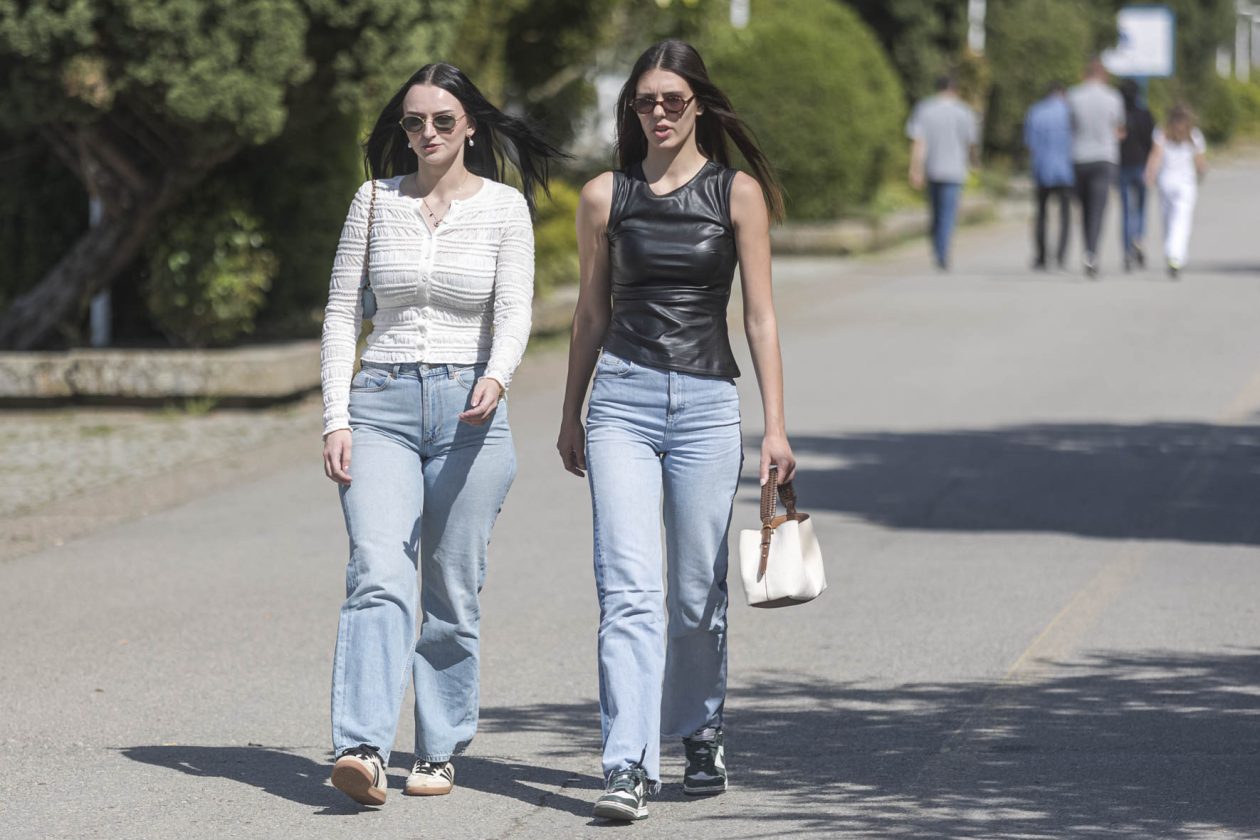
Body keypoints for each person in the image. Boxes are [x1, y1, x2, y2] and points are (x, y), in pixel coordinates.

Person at [555, 39, 796, 822]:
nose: (658, 113)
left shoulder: (737, 195)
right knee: (629, 592)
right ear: (632, 110)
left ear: (700, 106)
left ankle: (699, 727)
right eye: (645, 101)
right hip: (620, 401)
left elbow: (759, 317)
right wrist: (571, 413)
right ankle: (626, 765)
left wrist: (776, 429)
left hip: (705, 403)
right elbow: (589, 315)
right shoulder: (605, 197)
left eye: (672, 100)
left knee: (696, 593)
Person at [319, 62, 562, 807]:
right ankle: (361, 743)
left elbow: (515, 308)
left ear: (471, 129)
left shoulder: (504, 208)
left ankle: (439, 747)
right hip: (383, 404)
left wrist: (500, 372)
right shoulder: (373, 202)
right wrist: (336, 415)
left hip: (470, 413)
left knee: (452, 589)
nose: (426, 134)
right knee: (377, 570)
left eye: (442, 122)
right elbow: (339, 314)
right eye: (414, 122)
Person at [906, 74, 980, 271]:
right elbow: (971, 143)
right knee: (947, 214)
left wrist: (915, 169)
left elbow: (919, 142)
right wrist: (974, 163)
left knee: (935, 212)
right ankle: (942, 252)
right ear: (955, 89)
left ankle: (937, 249)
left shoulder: (925, 108)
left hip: (932, 168)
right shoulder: (964, 111)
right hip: (955, 170)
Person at [1067, 57, 1126, 277]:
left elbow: (1070, 126)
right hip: (1104, 158)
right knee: (1098, 209)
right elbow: (1119, 129)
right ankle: (1092, 252)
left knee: (1084, 208)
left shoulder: (1073, 95)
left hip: (1080, 158)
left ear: (1085, 74)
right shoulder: (1113, 97)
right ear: (1103, 75)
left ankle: (1087, 249)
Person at [1145, 104, 1207, 278]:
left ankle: (1171, 253)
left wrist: (1150, 173)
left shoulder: (1162, 132)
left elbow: (1156, 155)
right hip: (1186, 184)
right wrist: (1202, 172)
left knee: (1167, 219)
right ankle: (1176, 256)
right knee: (1182, 221)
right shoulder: (1194, 135)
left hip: (1166, 181)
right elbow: (1200, 160)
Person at [1023, 81, 1075, 270]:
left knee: (1041, 214)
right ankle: (1061, 256)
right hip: (1066, 170)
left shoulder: (1036, 111)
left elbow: (1029, 143)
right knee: (1065, 215)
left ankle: (1042, 256)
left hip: (1042, 169)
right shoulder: (1069, 112)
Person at [1118, 79, 1156, 271]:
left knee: (1126, 210)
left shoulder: (1119, 116)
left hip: (1122, 167)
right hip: (1141, 166)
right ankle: (1138, 238)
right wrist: (1152, 167)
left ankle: (1126, 251)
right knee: (1140, 208)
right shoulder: (1145, 114)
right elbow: (1152, 143)